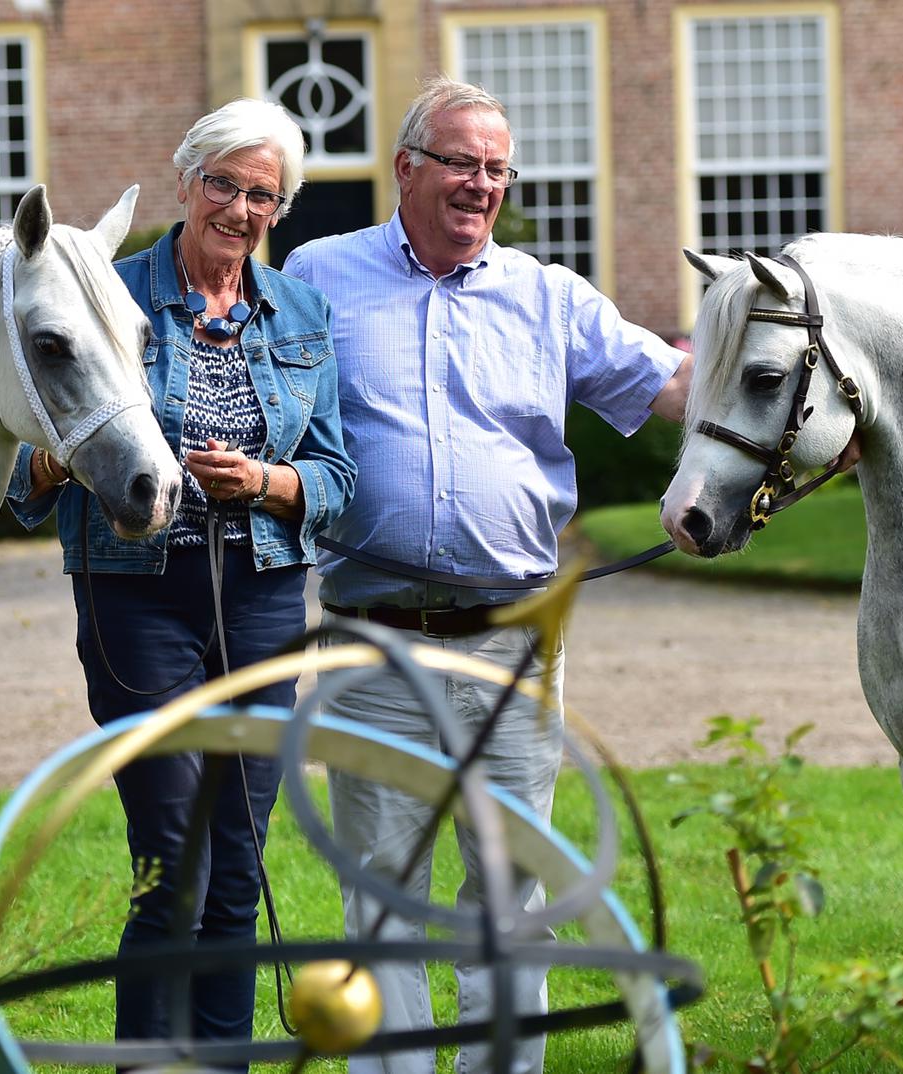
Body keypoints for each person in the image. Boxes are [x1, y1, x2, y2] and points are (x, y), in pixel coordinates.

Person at [282, 76, 692, 1074]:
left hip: (511, 642)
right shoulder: (315, 276)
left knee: (513, 895)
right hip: (370, 637)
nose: (480, 184)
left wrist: (801, 407)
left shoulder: (549, 299)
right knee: (381, 891)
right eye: (461, 162)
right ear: (407, 169)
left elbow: (675, 387)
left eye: (496, 169)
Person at [4, 98, 355, 1065]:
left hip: (263, 597)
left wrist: (270, 482)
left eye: (262, 195)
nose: (239, 209)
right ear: (186, 181)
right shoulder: (108, 293)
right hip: (135, 592)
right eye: (223, 185)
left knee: (238, 866)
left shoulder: (303, 315)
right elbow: (24, 477)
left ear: (278, 210)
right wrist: (67, 461)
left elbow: (338, 477)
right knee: (178, 862)